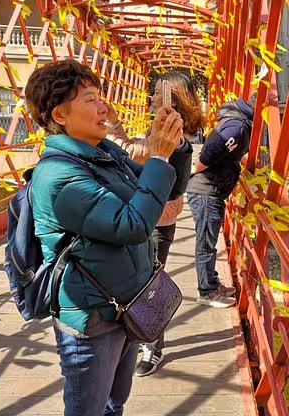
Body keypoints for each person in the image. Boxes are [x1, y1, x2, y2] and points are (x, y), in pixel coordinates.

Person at [26, 59, 183, 416]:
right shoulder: (58, 176)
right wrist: (159, 154)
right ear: (60, 116)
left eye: (101, 97)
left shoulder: (103, 153)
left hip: (127, 305)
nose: (104, 107)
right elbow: (133, 224)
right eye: (91, 99)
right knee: (88, 409)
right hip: (93, 318)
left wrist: (172, 145)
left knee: (116, 402)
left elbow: (154, 186)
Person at [104, 71, 206, 377]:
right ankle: (140, 339)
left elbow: (130, 154)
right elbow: (139, 153)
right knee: (141, 282)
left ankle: (151, 345)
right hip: (149, 216)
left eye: (158, 96)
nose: (149, 100)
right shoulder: (165, 131)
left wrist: (109, 126)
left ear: (174, 101)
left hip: (156, 222)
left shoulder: (176, 139)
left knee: (148, 287)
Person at [186, 96, 255, 308]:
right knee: (206, 243)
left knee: (209, 240)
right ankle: (206, 292)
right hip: (207, 191)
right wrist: (194, 170)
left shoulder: (237, 122)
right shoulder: (238, 127)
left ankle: (212, 283)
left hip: (211, 190)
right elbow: (211, 152)